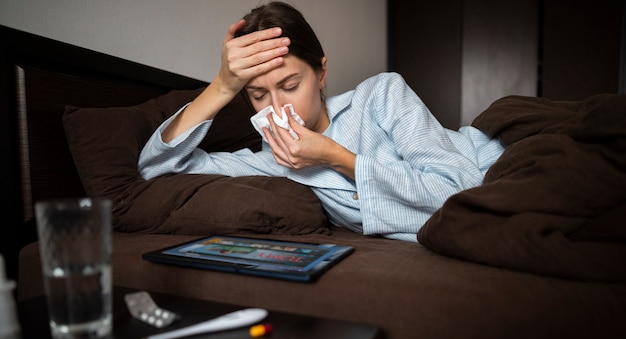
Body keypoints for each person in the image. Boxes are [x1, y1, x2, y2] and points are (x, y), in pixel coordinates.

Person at [138, 1, 505, 242]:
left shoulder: (380, 95)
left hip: (497, 166)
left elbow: (463, 191)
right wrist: (222, 86)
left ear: (321, 74)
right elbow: (156, 167)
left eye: (290, 85)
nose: (279, 109)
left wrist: (335, 156)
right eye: (259, 95)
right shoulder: (274, 162)